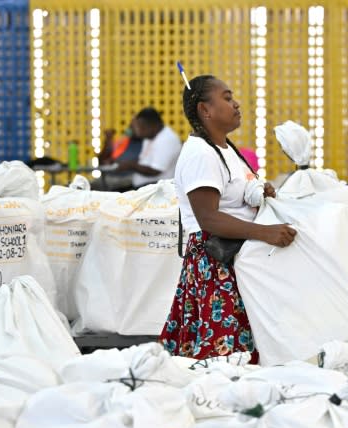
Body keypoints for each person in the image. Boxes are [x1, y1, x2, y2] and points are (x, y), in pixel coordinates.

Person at [160, 75, 296, 363]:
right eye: (226, 97)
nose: (236, 104)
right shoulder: (200, 154)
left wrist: (259, 192)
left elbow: (236, 194)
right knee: (224, 358)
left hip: (232, 259)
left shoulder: (225, 149)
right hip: (215, 264)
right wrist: (265, 232)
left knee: (238, 355)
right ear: (204, 110)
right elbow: (208, 218)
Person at [112, 107, 181, 188]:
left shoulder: (167, 139)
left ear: (154, 125)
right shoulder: (149, 137)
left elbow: (155, 170)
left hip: (157, 188)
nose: (138, 131)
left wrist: (131, 165)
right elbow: (142, 160)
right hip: (143, 186)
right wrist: (122, 162)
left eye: (142, 127)